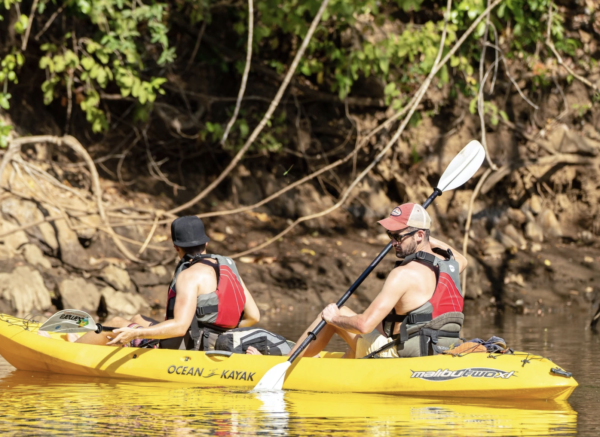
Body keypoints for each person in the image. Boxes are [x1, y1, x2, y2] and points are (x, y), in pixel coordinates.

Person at [44, 216, 260, 349]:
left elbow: (180, 326)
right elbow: (253, 316)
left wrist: (136, 333)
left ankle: (74, 348)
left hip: (191, 347)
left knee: (119, 323)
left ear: (177, 248)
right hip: (209, 340)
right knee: (138, 317)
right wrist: (217, 332)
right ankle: (100, 341)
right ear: (205, 242)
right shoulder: (227, 267)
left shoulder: (189, 275)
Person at [288, 203, 468, 359]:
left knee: (335, 312)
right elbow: (462, 259)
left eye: (398, 236)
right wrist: (426, 237)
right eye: (390, 235)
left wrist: (334, 318)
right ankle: (344, 372)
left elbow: (364, 325)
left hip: (402, 354)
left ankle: (287, 363)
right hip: (439, 348)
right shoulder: (450, 266)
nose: (392, 243)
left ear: (419, 235)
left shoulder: (402, 274)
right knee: (373, 332)